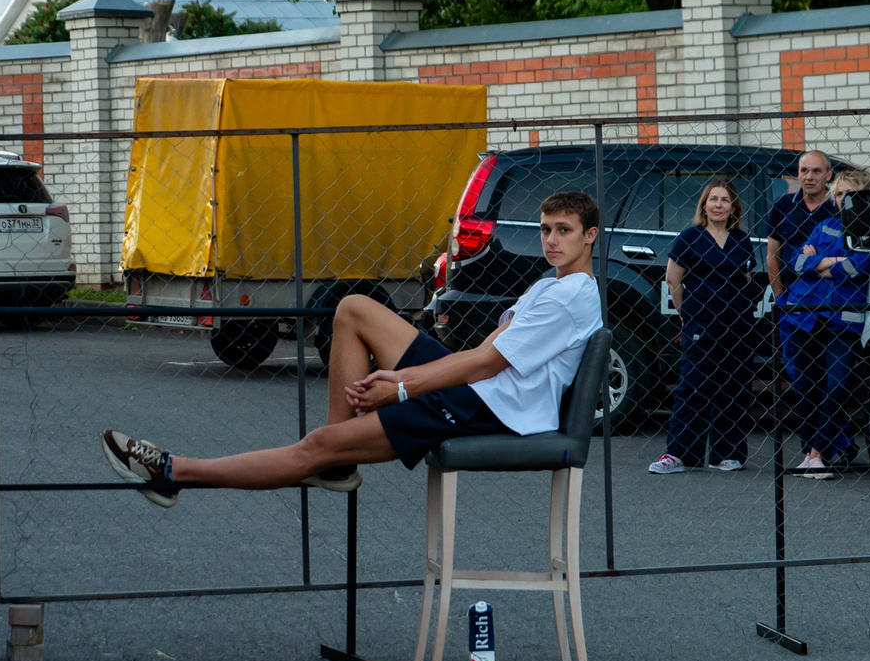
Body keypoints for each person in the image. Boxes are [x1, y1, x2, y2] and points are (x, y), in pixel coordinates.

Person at [103, 192, 605, 501]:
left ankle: (174, 472)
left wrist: (402, 389)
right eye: (545, 230)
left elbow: (485, 364)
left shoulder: (573, 295)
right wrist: (407, 380)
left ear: (590, 237)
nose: (552, 240)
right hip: (482, 387)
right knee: (354, 308)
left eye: (564, 231)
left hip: (495, 407)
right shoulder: (549, 285)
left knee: (315, 446)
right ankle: (335, 457)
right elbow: (484, 349)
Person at [766, 150, 870, 477]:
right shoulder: (820, 222)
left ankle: (820, 450)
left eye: (849, 195)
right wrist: (828, 266)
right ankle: (818, 453)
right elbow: (797, 262)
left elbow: (860, 266)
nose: (843, 200)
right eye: (841, 195)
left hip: (842, 321)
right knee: (804, 386)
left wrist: (819, 264)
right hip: (803, 313)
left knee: (836, 387)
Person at [649, 177, 754, 474]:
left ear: (733, 206)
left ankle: (727, 453)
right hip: (701, 325)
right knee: (692, 387)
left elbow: (744, 279)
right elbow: (674, 279)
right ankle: (679, 454)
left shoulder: (741, 241)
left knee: (733, 388)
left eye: (724, 200)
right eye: (713, 199)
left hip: (737, 327)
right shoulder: (691, 237)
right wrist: (687, 313)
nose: (718, 204)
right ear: (704, 205)